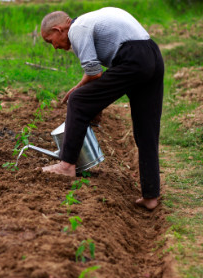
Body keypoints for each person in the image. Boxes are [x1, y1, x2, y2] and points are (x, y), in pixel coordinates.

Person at [40, 8, 164, 210]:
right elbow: (99, 77)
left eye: (50, 40)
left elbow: (94, 73)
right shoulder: (90, 20)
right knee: (146, 130)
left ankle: (67, 165)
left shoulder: (77, 29)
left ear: (58, 29)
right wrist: (94, 99)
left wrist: (79, 91)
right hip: (152, 55)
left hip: (133, 57)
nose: (54, 47)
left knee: (78, 100)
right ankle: (150, 197)